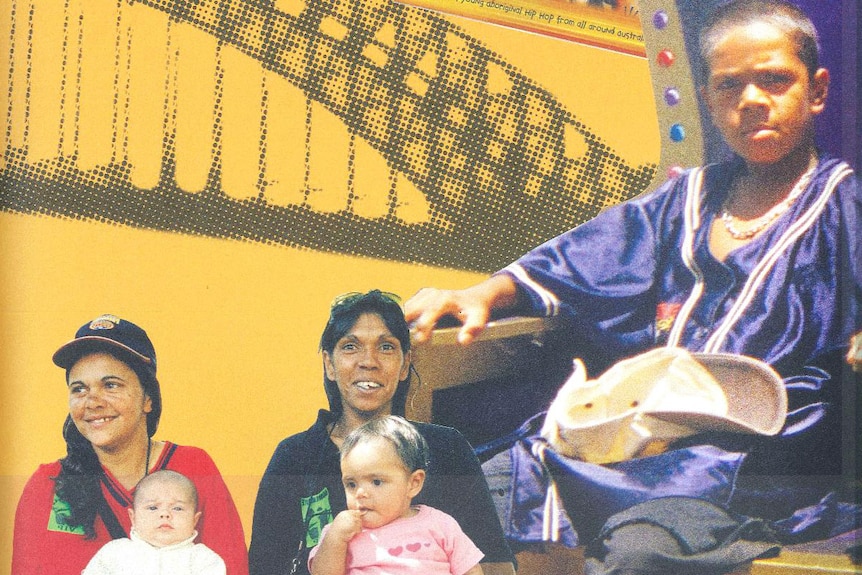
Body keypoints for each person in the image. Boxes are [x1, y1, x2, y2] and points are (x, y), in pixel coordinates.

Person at [406, 0, 860, 552]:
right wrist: (483, 292)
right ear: (708, 101)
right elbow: (578, 260)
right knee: (450, 500)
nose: (752, 101)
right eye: (728, 86)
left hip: (756, 457)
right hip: (631, 430)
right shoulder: (685, 201)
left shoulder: (846, 208)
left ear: (816, 91)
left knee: (642, 545)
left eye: (773, 80)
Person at [248, 290, 514, 575]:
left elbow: (495, 563)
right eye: (350, 346)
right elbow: (265, 566)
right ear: (329, 364)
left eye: (386, 347)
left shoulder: (446, 449)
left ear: (404, 364)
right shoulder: (296, 456)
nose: (369, 361)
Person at [11, 314, 249, 575]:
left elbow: (231, 568)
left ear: (148, 399)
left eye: (110, 384)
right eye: (79, 389)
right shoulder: (47, 484)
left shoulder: (192, 466)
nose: (92, 401)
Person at [309, 416, 484, 575]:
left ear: (413, 483)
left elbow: (471, 570)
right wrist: (336, 539)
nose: (360, 493)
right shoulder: (341, 533)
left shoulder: (439, 524)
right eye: (351, 484)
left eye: (376, 481)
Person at [82, 470, 226, 575]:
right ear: (133, 517)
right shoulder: (114, 552)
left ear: (194, 520)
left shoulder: (203, 560)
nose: (165, 514)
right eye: (152, 507)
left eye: (177, 508)